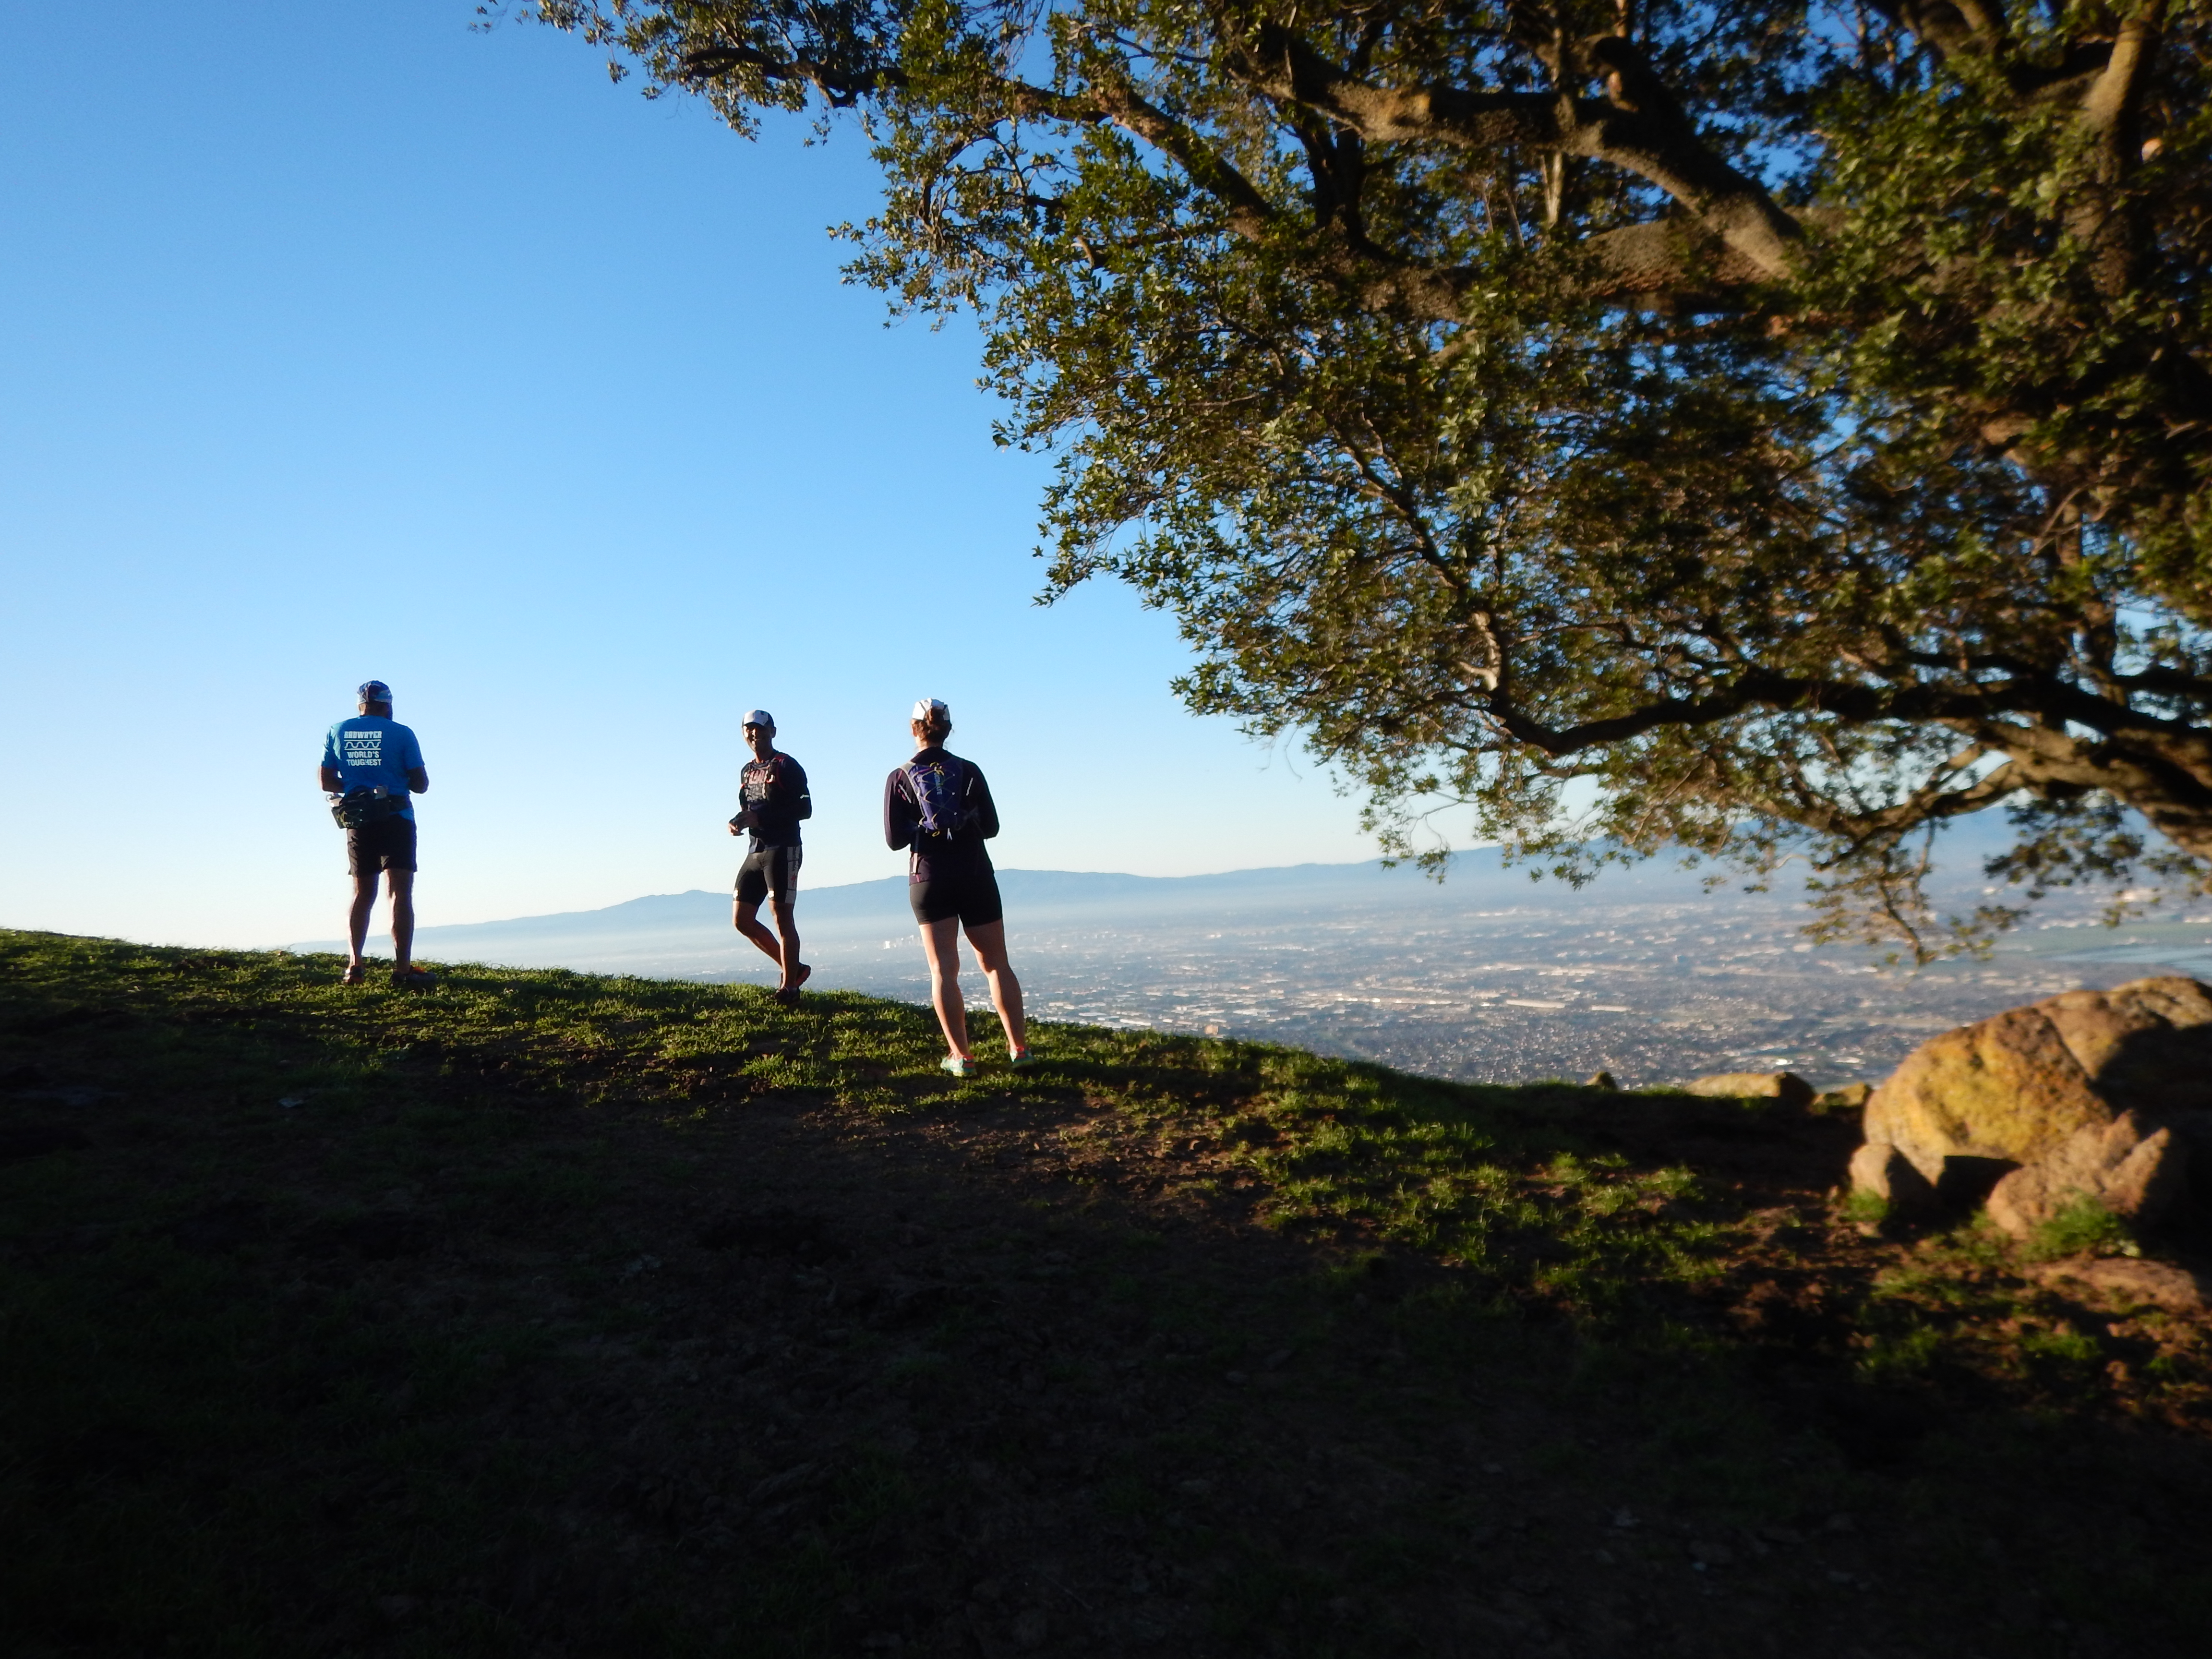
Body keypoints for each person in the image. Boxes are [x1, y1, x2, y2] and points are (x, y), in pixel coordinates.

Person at [883, 698, 1030, 1076]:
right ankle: (1019, 1049)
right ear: (948, 730)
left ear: (913, 729)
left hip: (928, 878)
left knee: (943, 969)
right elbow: (993, 828)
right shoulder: (969, 771)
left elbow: (894, 840)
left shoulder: (899, 777)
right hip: (975, 872)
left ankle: (961, 1057)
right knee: (996, 964)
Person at [319, 680, 434, 988]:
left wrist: (359, 787)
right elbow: (421, 784)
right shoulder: (402, 733)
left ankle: (354, 967)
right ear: (388, 705)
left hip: (359, 818)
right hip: (396, 816)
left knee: (362, 893)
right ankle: (403, 969)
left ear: (361, 705)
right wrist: (388, 781)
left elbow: (327, 782)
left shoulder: (337, 731)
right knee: (399, 891)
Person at [729, 709, 813, 1000]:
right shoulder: (746, 770)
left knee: (782, 917)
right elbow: (750, 809)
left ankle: (790, 988)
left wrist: (761, 821)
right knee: (742, 919)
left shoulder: (787, 765)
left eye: (760, 730)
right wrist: (739, 822)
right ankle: (794, 969)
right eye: (749, 730)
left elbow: (805, 810)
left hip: (784, 847)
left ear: (773, 732)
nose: (754, 735)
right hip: (756, 850)